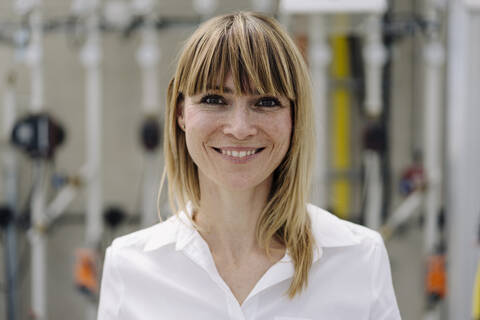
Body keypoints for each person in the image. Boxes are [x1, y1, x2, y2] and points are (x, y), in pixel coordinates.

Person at [97, 11, 401, 320]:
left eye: (266, 102)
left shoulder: (358, 258)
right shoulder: (130, 267)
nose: (240, 128)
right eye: (215, 100)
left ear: (295, 118)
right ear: (180, 114)